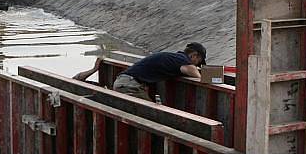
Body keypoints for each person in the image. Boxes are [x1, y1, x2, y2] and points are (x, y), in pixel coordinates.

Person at [73, 42, 207, 101]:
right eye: (198, 61)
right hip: (130, 85)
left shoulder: (173, 57)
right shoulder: (181, 60)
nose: (196, 65)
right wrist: (210, 76)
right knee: (154, 115)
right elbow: (194, 74)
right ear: (194, 56)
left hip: (125, 82)